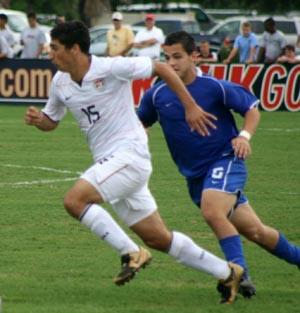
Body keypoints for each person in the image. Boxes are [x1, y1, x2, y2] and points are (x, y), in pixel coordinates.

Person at [24, 21, 244, 304]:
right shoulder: (60, 82)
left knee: (74, 201)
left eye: (55, 48)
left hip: (130, 156)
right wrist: (38, 121)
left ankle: (131, 252)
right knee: (158, 238)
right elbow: (51, 121)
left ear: (75, 49)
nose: (50, 53)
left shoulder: (111, 67)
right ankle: (227, 272)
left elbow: (161, 68)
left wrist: (191, 106)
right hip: (111, 164)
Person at [137, 31, 300, 299]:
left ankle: (239, 274)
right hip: (195, 176)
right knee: (257, 232)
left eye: (177, 57)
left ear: (195, 56)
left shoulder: (214, 87)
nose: (171, 63)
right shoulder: (157, 95)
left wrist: (244, 137)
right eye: (167, 58)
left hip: (226, 160)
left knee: (213, 212)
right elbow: (141, 121)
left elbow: (252, 108)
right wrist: (139, 132)